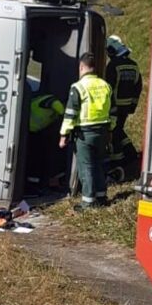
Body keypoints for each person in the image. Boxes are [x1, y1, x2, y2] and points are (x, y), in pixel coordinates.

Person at [59, 52, 112, 209]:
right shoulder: (105, 85)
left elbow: (70, 114)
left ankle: (88, 203)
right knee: (99, 164)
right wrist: (111, 129)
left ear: (82, 67)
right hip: (103, 131)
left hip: (85, 133)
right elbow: (113, 109)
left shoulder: (78, 87)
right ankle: (102, 198)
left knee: (86, 166)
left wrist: (64, 135)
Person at [104, 36, 143, 176]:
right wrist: (133, 105)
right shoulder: (134, 65)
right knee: (119, 129)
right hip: (126, 106)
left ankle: (118, 161)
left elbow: (109, 87)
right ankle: (131, 153)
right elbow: (138, 86)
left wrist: (109, 107)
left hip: (114, 106)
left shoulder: (113, 66)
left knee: (114, 132)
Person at [25, 88, 65, 188]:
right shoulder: (53, 101)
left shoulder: (51, 106)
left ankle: (35, 184)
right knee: (34, 159)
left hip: (35, 131)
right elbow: (63, 112)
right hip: (28, 130)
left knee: (38, 158)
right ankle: (31, 186)